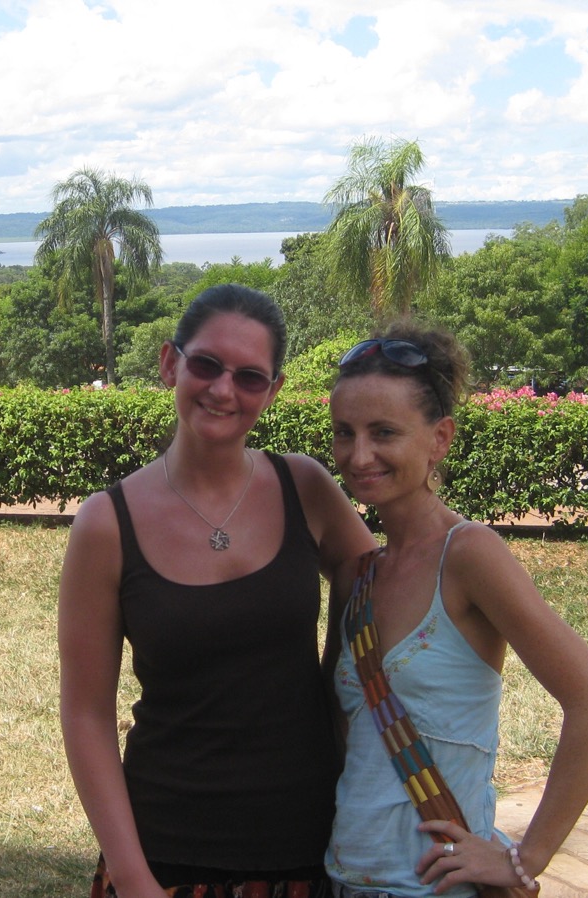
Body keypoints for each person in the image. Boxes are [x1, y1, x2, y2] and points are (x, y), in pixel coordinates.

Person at [58, 284, 377, 898]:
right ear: (169, 363)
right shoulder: (107, 523)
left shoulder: (304, 486)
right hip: (167, 850)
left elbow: (383, 584)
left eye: (250, 377)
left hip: (308, 841)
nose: (224, 390)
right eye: (206, 364)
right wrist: (132, 877)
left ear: (273, 390)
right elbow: (86, 714)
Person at [324, 321, 588, 898]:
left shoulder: (467, 555)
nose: (359, 455)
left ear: (439, 438)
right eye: (345, 433)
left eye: (384, 432)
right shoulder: (357, 576)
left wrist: (524, 860)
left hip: (436, 888)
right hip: (342, 879)